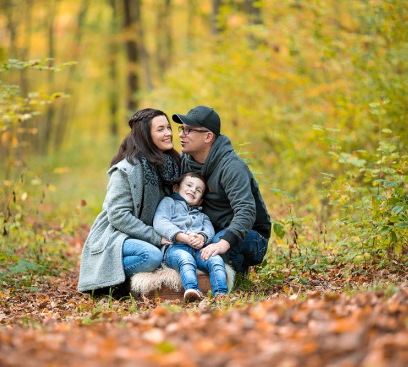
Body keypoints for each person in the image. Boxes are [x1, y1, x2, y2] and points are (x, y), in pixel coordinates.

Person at [77, 108, 180, 294]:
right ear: (146, 136)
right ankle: (105, 281)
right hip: (118, 234)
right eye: (160, 129)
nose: (168, 133)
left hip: (150, 233)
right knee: (151, 256)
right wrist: (155, 238)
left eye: (168, 128)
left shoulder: (171, 166)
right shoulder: (126, 170)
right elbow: (117, 215)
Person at [171, 105, 271, 276]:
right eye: (182, 129)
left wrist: (222, 244)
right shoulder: (185, 162)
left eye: (189, 130)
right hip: (207, 230)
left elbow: (246, 210)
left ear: (208, 136)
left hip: (249, 234)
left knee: (216, 249)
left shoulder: (231, 167)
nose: (181, 134)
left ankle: (238, 270)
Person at [153, 172, 228, 302]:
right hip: (174, 248)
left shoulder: (202, 215)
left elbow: (209, 229)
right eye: (189, 185)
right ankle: (192, 290)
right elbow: (160, 222)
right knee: (185, 258)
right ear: (176, 188)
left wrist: (201, 238)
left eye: (198, 190)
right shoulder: (169, 202)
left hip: (198, 249)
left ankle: (221, 293)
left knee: (215, 260)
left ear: (200, 200)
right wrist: (183, 237)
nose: (193, 190)